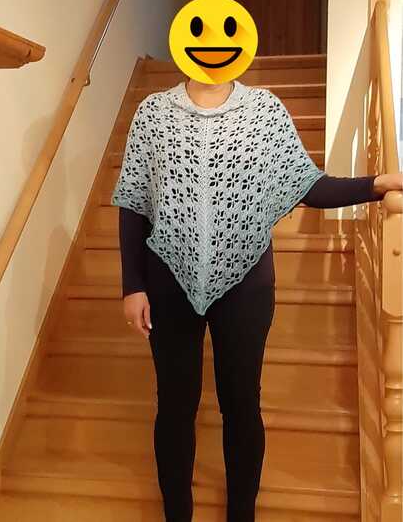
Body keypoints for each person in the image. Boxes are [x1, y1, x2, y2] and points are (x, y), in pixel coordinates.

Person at [111, 77, 402, 522]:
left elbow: (308, 186)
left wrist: (377, 184)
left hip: (246, 285)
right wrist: (133, 285)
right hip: (167, 282)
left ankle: (241, 514)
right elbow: (133, 202)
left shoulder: (264, 111)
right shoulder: (153, 113)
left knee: (242, 403)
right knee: (174, 404)